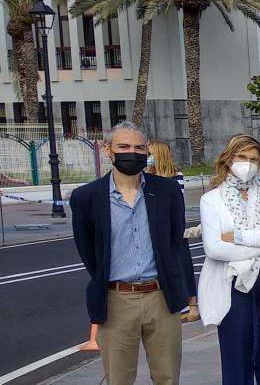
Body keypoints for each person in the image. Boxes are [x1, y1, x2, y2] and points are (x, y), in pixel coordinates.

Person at [70, 122, 195, 385]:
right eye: (124, 147)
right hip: (116, 300)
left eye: (139, 147)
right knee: (119, 379)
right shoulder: (86, 197)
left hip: (161, 297)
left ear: (147, 150)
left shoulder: (168, 191)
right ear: (108, 150)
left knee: (168, 377)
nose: (132, 153)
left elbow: (174, 242)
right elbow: (88, 251)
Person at [197, 134, 260, 384]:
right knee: (236, 366)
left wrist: (237, 236)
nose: (247, 164)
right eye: (242, 157)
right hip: (232, 288)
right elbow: (215, 249)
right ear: (228, 159)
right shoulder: (211, 200)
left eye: (254, 159)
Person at [145, 140, 200, 322]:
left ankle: (193, 305)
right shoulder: (145, 177)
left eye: (150, 153)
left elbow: (175, 202)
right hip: (155, 228)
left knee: (183, 265)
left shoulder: (176, 176)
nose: (147, 157)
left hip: (174, 227)